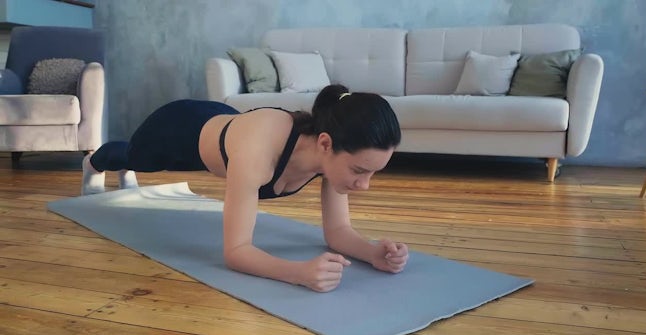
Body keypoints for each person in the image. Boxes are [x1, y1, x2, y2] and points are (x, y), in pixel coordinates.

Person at [82, 84, 409, 292]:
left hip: (226, 124)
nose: (364, 186)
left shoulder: (333, 155)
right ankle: (95, 163)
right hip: (178, 128)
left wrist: (372, 252)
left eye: (372, 174)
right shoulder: (259, 150)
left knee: (136, 162)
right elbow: (236, 252)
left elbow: (337, 232)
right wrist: (298, 272)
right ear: (325, 144)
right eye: (359, 171)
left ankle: (124, 170)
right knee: (134, 157)